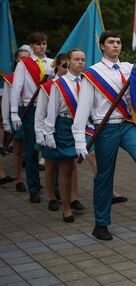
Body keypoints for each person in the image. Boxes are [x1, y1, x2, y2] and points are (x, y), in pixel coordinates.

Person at [72, 31, 136, 241]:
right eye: (110, 42)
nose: (115, 45)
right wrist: (79, 140)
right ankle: (101, 224)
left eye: (118, 42)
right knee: (104, 176)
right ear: (102, 46)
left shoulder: (130, 68)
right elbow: (82, 108)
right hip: (105, 128)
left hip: (128, 125)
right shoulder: (92, 74)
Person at [43, 49, 88, 222]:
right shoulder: (58, 84)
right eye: (76, 59)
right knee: (64, 169)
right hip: (63, 126)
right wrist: (49, 134)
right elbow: (52, 110)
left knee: (73, 166)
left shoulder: (86, 81)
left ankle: (73, 199)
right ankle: (66, 208)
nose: (80, 62)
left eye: (83, 59)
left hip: (81, 126)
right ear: (68, 61)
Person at [10, 32, 54, 203]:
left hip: (50, 110)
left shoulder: (53, 63)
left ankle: (55, 188)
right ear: (31, 46)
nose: (41, 47)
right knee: (32, 150)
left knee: (52, 149)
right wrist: (14, 112)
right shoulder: (24, 64)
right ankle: (34, 188)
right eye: (37, 44)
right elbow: (16, 87)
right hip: (32, 109)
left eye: (44, 44)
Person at [36, 53, 69, 211]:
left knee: (70, 166)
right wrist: (40, 134)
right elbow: (40, 114)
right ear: (57, 67)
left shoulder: (76, 83)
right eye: (64, 66)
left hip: (67, 128)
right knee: (50, 165)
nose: (67, 69)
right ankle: (51, 197)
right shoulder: (48, 86)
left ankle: (70, 198)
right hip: (50, 128)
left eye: (69, 66)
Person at [1, 48, 31, 191]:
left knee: (32, 149)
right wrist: (6, 120)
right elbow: (6, 100)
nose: (25, 61)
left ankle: (33, 178)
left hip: (31, 111)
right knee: (18, 148)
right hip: (18, 111)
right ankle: (19, 179)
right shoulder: (10, 78)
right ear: (17, 60)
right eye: (22, 58)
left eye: (27, 58)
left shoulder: (35, 76)